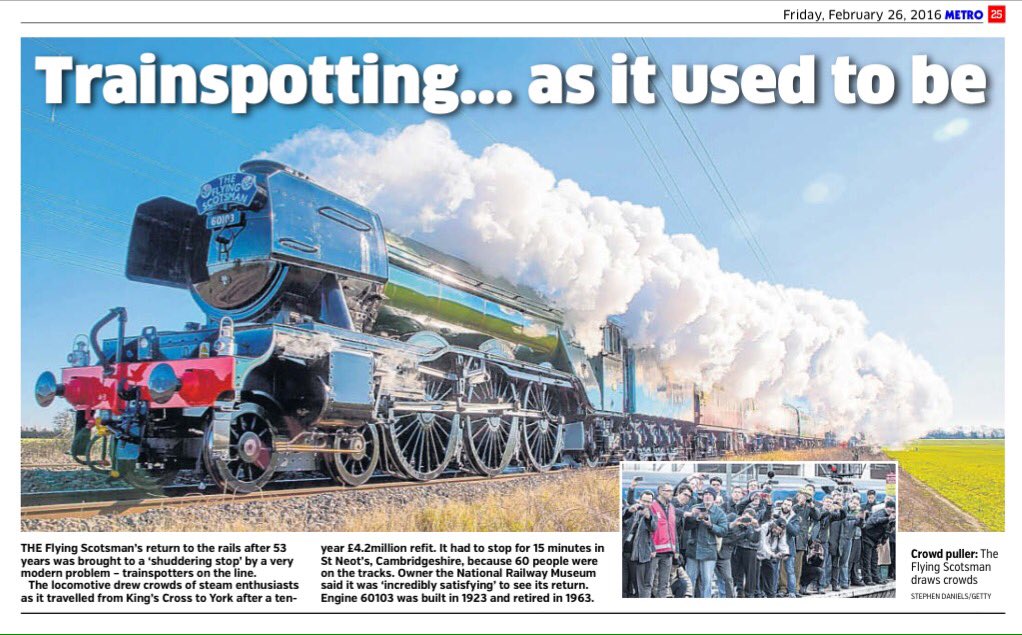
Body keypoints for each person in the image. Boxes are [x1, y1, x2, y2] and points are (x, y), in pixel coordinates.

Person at [683, 487, 728, 598]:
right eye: (705, 494)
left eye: (710, 495)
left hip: (709, 551)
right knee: (689, 580)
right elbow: (686, 527)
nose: (707, 496)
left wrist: (711, 525)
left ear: (714, 498)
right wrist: (696, 518)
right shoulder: (695, 508)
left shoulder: (719, 512)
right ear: (702, 497)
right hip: (693, 549)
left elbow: (724, 531)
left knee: (707, 581)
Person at [650, 482, 680, 597]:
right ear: (660, 491)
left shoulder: (671, 508)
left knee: (664, 583)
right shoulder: (652, 506)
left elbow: (673, 530)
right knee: (649, 581)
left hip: (668, 552)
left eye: (672, 491)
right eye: (668, 491)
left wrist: (675, 549)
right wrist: (651, 547)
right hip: (654, 552)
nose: (671, 493)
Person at [626, 490, 657, 597]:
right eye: (644, 501)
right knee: (623, 585)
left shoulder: (652, 515)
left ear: (652, 503)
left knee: (639, 586)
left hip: (638, 556)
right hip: (624, 553)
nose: (645, 504)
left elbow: (653, 528)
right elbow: (623, 520)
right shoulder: (632, 510)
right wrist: (629, 511)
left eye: (649, 502)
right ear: (639, 500)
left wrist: (648, 518)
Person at [861, 499, 896, 585]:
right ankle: (867, 579)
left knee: (874, 560)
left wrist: (882, 541)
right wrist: (888, 519)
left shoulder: (890, 518)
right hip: (867, 538)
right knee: (867, 560)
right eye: (889, 507)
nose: (891, 509)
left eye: (892, 508)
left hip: (874, 541)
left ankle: (875, 578)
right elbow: (875, 521)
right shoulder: (880, 513)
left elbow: (886, 531)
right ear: (886, 507)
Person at [732, 504, 762, 597]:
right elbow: (735, 535)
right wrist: (741, 525)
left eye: (749, 518)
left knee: (750, 573)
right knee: (737, 572)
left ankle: (750, 593)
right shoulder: (738, 522)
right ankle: (739, 591)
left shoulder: (755, 525)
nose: (746, 520)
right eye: (745, 517)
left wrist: (754, 526)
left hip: (750, 549)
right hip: (738, 547)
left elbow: (755, 539)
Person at [792, 491, 820, 593]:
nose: (804, 499)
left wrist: (812, 506)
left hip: (802, 541)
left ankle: (798, 587)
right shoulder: (794, 506)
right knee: (790, 566)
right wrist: (799, 504)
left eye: (806, 497)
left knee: (800, 566)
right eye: (802, 497)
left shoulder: (808, 509)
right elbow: (791, 513)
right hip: (792, 539)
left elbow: (817, 517)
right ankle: (789, 587)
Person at [757, 516, 789, 598]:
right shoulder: (765, 527)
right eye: (777, 529)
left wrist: (784, 553)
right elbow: (762, 543)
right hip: (757, 552)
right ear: (773, 525)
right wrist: (772, 554)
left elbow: (783, 543)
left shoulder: (781, 532)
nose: (777, 531)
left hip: (768, 555)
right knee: (758, 575)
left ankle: (770, 594)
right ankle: (758, 593)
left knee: (770, 573)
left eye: (780, 531)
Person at [775, 498, 800, 597]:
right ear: (782, 504)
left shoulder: (795, 517)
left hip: (789, 547)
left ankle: (792, 592)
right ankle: (776, 590)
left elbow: (795, 532)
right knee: (775, 570)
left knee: (790, 570)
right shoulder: (775, 513)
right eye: (785, 504)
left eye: (789, 505)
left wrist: (785, 522)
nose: (786, 506)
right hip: (775, 547)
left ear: (791, 507)